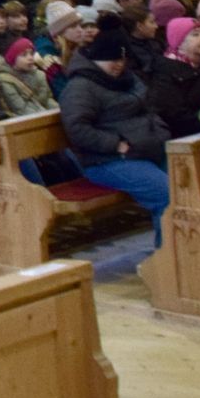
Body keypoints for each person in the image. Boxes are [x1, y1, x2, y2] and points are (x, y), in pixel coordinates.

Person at [59, 29, 174, 243]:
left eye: (121, 59)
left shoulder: (129, 79)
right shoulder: (81, 86)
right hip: (107, 160)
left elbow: (149, 108)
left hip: (148, 148)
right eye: (112, 60)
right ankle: (168, 261)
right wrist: (116, 144)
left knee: (189, 189)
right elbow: (77, 128)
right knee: (167, 195)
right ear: (96, 59)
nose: (118, 64)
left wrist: (160, 130)